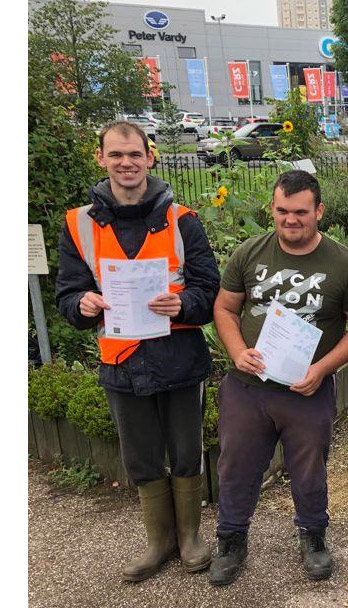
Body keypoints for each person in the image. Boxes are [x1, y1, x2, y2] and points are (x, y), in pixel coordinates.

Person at [55, 121, 220, 582]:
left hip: (179, 360)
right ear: (101, 159)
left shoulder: (182, 220)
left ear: (150, 157)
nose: (125, 163)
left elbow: (211, 291)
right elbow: (67, 295)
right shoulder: (78, 225)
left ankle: (190, 536)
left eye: (134, 154)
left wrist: (183, 303)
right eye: (116, 155)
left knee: (186, 452)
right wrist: (82, 305)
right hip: (121, 362)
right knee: (141, 457)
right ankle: (159, 541)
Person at [209, 170, 348, 586]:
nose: (290, 220)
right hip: (249, 388)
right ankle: (231, 538)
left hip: (308, 390)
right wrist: (236, 351)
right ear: (273, 208)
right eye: (282, 211)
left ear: (318, 210)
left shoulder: (341, 263)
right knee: (236, 466)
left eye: (300, 212)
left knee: (309, 470)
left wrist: (322, 369)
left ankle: (313, 536)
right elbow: (225, 309)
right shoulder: (250, 253)